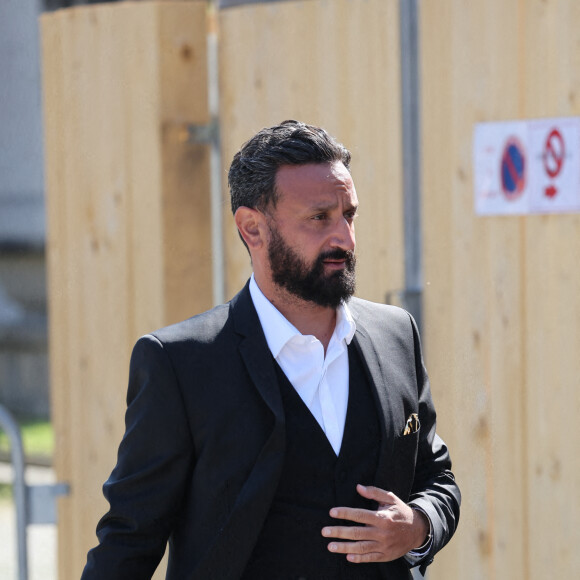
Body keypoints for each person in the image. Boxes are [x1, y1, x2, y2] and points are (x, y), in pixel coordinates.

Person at [81, 120, 460, 580]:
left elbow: (436, 477)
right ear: (252, 229)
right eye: (319, 218)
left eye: (349, 214)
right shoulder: (180, 363)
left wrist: (418, 525)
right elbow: (129, 539)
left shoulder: (396, 334)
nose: (344, 238)